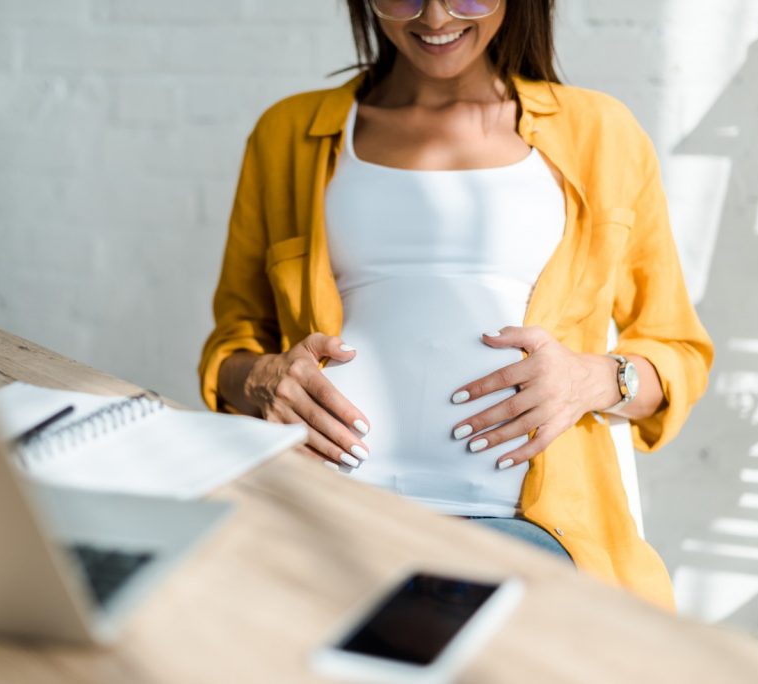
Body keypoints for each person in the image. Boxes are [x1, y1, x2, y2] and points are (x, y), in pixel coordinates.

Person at [198, 0, 713, 610]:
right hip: (325, 508)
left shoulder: (602, 133)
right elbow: (233, 342)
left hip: (518, 527)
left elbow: (677, 351)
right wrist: (260, 377)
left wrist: (592, 378)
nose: (435, 17)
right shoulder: (288, 133)